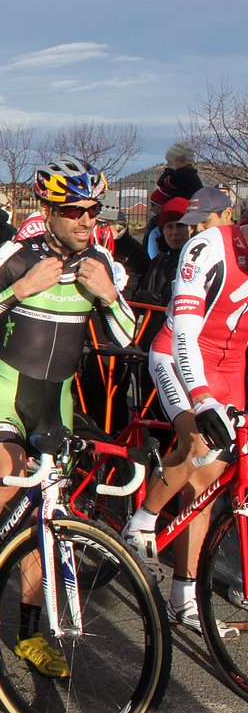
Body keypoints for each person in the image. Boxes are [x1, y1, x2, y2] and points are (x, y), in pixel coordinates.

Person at [0, 156, 135, 677]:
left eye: (92, 210)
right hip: (5, 386)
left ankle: (29, 633)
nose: (86, 221)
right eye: (73, 210)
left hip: (56, 398)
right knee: (8, 477)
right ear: (47, 210)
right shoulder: (14, 255)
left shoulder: (102, 265)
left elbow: (126, 339)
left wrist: (110, 297)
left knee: (46, 509)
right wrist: (18, 291)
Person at [123, 186, 243, 638]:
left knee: (207, 483)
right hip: (179, 353)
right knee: (197, 442)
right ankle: (142, 522)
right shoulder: (206, 246)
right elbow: (186, 337)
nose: (189, 226)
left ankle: (184, 596)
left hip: (232, 365)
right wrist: (203, 397)